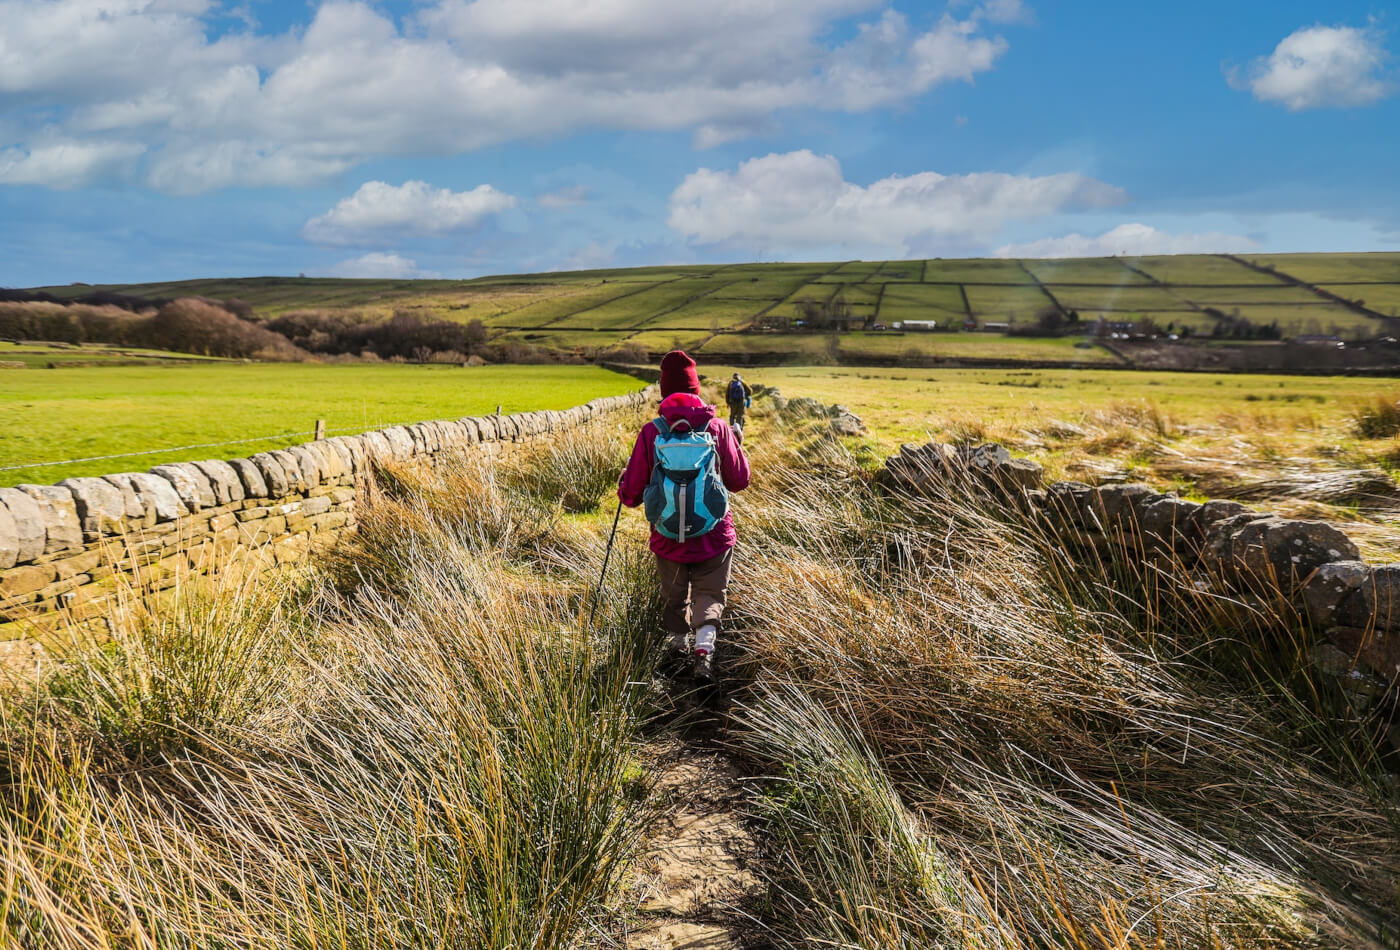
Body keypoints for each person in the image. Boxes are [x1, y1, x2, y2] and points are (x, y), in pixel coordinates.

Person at [618, 350, 750, 682]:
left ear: (664, 390)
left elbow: (631, 495)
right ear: (695, 388)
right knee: (710, 593)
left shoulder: (653, 431)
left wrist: (624, 487)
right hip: (714, 535)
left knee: (673, 594)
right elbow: (740, 480)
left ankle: (676, 647)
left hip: (667, 535)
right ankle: (704, 653)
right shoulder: (717, 427)